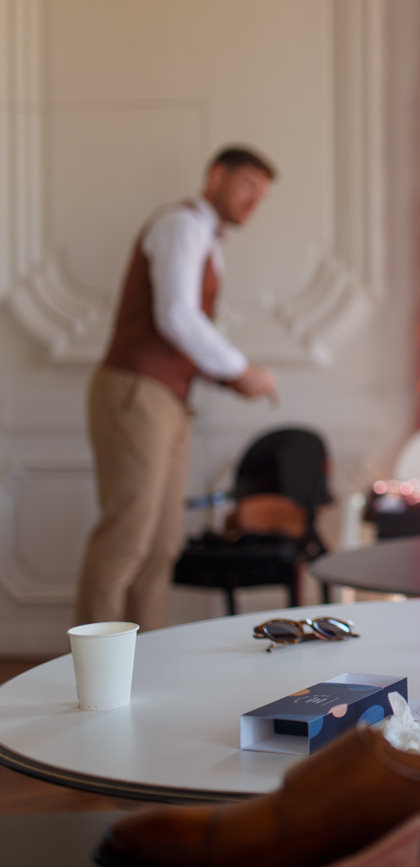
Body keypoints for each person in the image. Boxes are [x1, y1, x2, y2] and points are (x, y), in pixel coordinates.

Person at [75, 145, 281, 632]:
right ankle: (87, 676)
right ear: (216, 176)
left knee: (161, 547)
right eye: (248, 186)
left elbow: (184, 333)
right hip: (136, 394)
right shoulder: (181, 226)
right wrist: (240, 370)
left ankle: (144, 668)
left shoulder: (207, 241)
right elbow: (176, 317)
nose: (254, 202)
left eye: (262, 195)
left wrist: (231, 377)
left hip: (167, 401)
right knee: (126, 539)